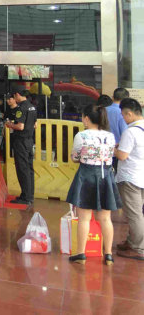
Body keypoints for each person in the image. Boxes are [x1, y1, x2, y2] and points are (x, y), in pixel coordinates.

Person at [66, 104, 121, 265]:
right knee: (105, 218)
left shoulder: (81, 135)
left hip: (87, 176)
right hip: (106, 176)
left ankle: (81, 254)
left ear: (87, 119)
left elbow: (75, 157)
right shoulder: (110, 136)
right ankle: (108, 255)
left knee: (84, 218)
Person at [115, 98, 144, 261]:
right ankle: (132, 241)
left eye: (123, 115)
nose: (123, 118)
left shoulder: (130, 132)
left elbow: (122, 155)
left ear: (130, 114)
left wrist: (113, 149)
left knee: (134, 215)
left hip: (130, 178)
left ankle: (138, 248)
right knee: (137, 212)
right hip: (141, 175)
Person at [7, 89, 37, 205]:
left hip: (21, 141)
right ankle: (30, 195)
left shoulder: (21, 108)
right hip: (29, 141)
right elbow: (35, 125)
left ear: (18, 95)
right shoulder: (32, 107)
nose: (15, 99)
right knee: (29, 169)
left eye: (14, 96)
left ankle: (25, 197)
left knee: (22, 169)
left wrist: (10, 125)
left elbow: (20, 126)